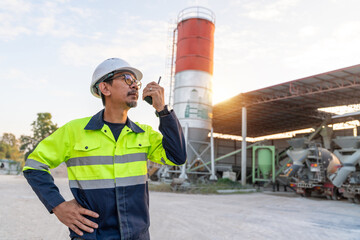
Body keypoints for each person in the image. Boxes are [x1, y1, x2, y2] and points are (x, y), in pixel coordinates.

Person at [23, 58, 187, 240]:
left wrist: (162, 110)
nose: (135, 86)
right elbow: (33, 166)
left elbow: (177, 156)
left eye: (136, 82)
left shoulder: (144, 134)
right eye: (127, 79)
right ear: (105, 88)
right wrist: (58, 205)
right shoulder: (74, 131)